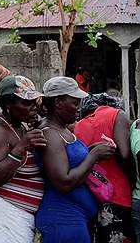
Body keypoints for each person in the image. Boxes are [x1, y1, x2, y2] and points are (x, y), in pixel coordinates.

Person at [35, 76, 114, 243]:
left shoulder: (62, 129)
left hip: (74, 220)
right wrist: (93, 156)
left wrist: (91, 150)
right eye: (75, 103)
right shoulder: (50, 134)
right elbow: (64, 182)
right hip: (63, 220)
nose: (79, 108)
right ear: (58, 102)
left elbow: (69, 160)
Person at [0, 75, 45, 243]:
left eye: (33, 102)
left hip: (17, 215)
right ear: (8, 105)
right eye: (26, 103)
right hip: (4, 211)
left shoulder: (18, 126)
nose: (33, 108)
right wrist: (20, 148)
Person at [75, 92, 135, 243]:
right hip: (118, 197)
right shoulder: (116, 115)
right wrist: (133, 181)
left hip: (90, 199)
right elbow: (125, 154)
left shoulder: (79, 125)